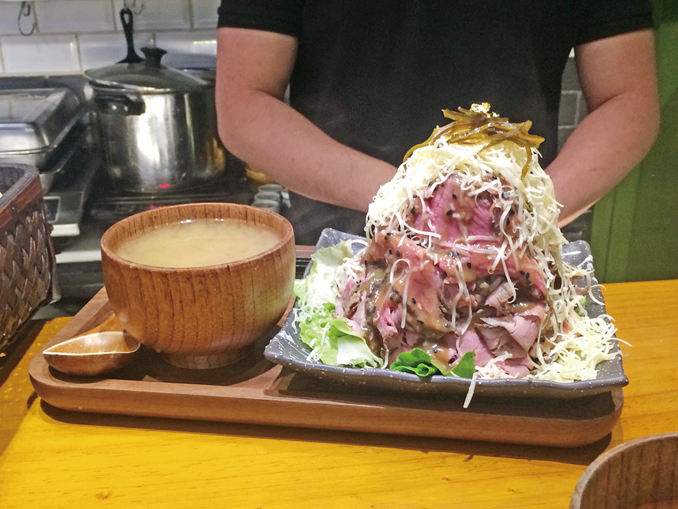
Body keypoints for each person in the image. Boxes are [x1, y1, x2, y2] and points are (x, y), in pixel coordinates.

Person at [215, 1, 659, 245]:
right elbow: (243, 104)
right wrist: (408, 200)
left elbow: (628, 99)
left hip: (514, 244)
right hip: (343, 241)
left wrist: (520, 215)